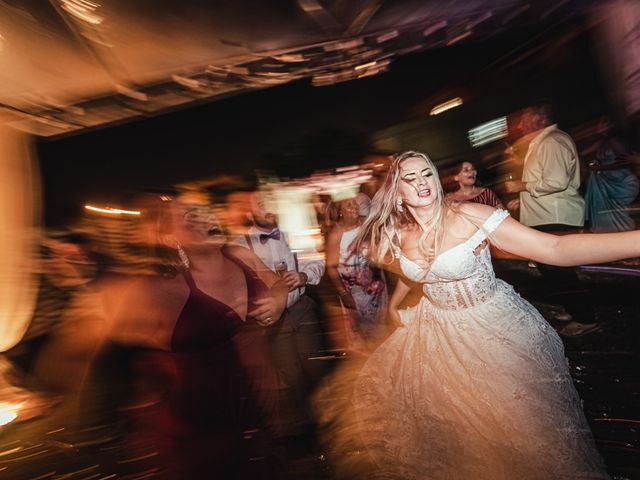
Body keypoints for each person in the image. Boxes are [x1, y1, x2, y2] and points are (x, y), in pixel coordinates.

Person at [335, 150, 630, 479]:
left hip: (492, 331)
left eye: (427, 173)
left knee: (520, 432)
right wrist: (393, 304)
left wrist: (635, 242)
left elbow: (554, 249)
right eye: (411, 178)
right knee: (463, 435)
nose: (422, 182)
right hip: (436, 337)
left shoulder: (471, 215)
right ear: (398, 192)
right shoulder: (398, 234)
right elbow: (414, 272)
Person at [100, 190, 288, 479]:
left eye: (205, 210)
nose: (205, 217)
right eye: (190, 216)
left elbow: (278, 284)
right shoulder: (166, 288)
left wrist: (277, 301)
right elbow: (107, 327)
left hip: (258, 415)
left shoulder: (241, 256)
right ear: (170, 237)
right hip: (204, 432)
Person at [235, 191, 326, 440]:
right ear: (250, 212)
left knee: (315, 367)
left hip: (302, 308)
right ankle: (307, 427)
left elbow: (316, 260)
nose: (269, 207)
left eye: (272, 202)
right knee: (291, 375)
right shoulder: (242, 244)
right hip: (275, 321)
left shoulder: (294, 233)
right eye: (261, 204)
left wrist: (304, 276)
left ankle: (325, 420)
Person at [325, 197, 388, 351]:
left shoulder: (367, 224)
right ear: (340, 212)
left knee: (383, 327)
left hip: (377, 287)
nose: (354, 207)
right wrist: (344, 294)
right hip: (355, 292)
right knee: (368, 334)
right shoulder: (336, 235)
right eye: (348, 205)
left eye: (354, 203)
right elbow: (331, 267)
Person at [583, 117, 639, 232]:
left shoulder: (615, 142)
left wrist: (599, 168)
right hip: (607, 182)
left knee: (619, 217)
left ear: (611, 125)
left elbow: (623, 163)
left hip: (621, 181)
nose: (598, 126)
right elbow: (581, 152)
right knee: (608, 218)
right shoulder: (601, 143)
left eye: (603, 123)